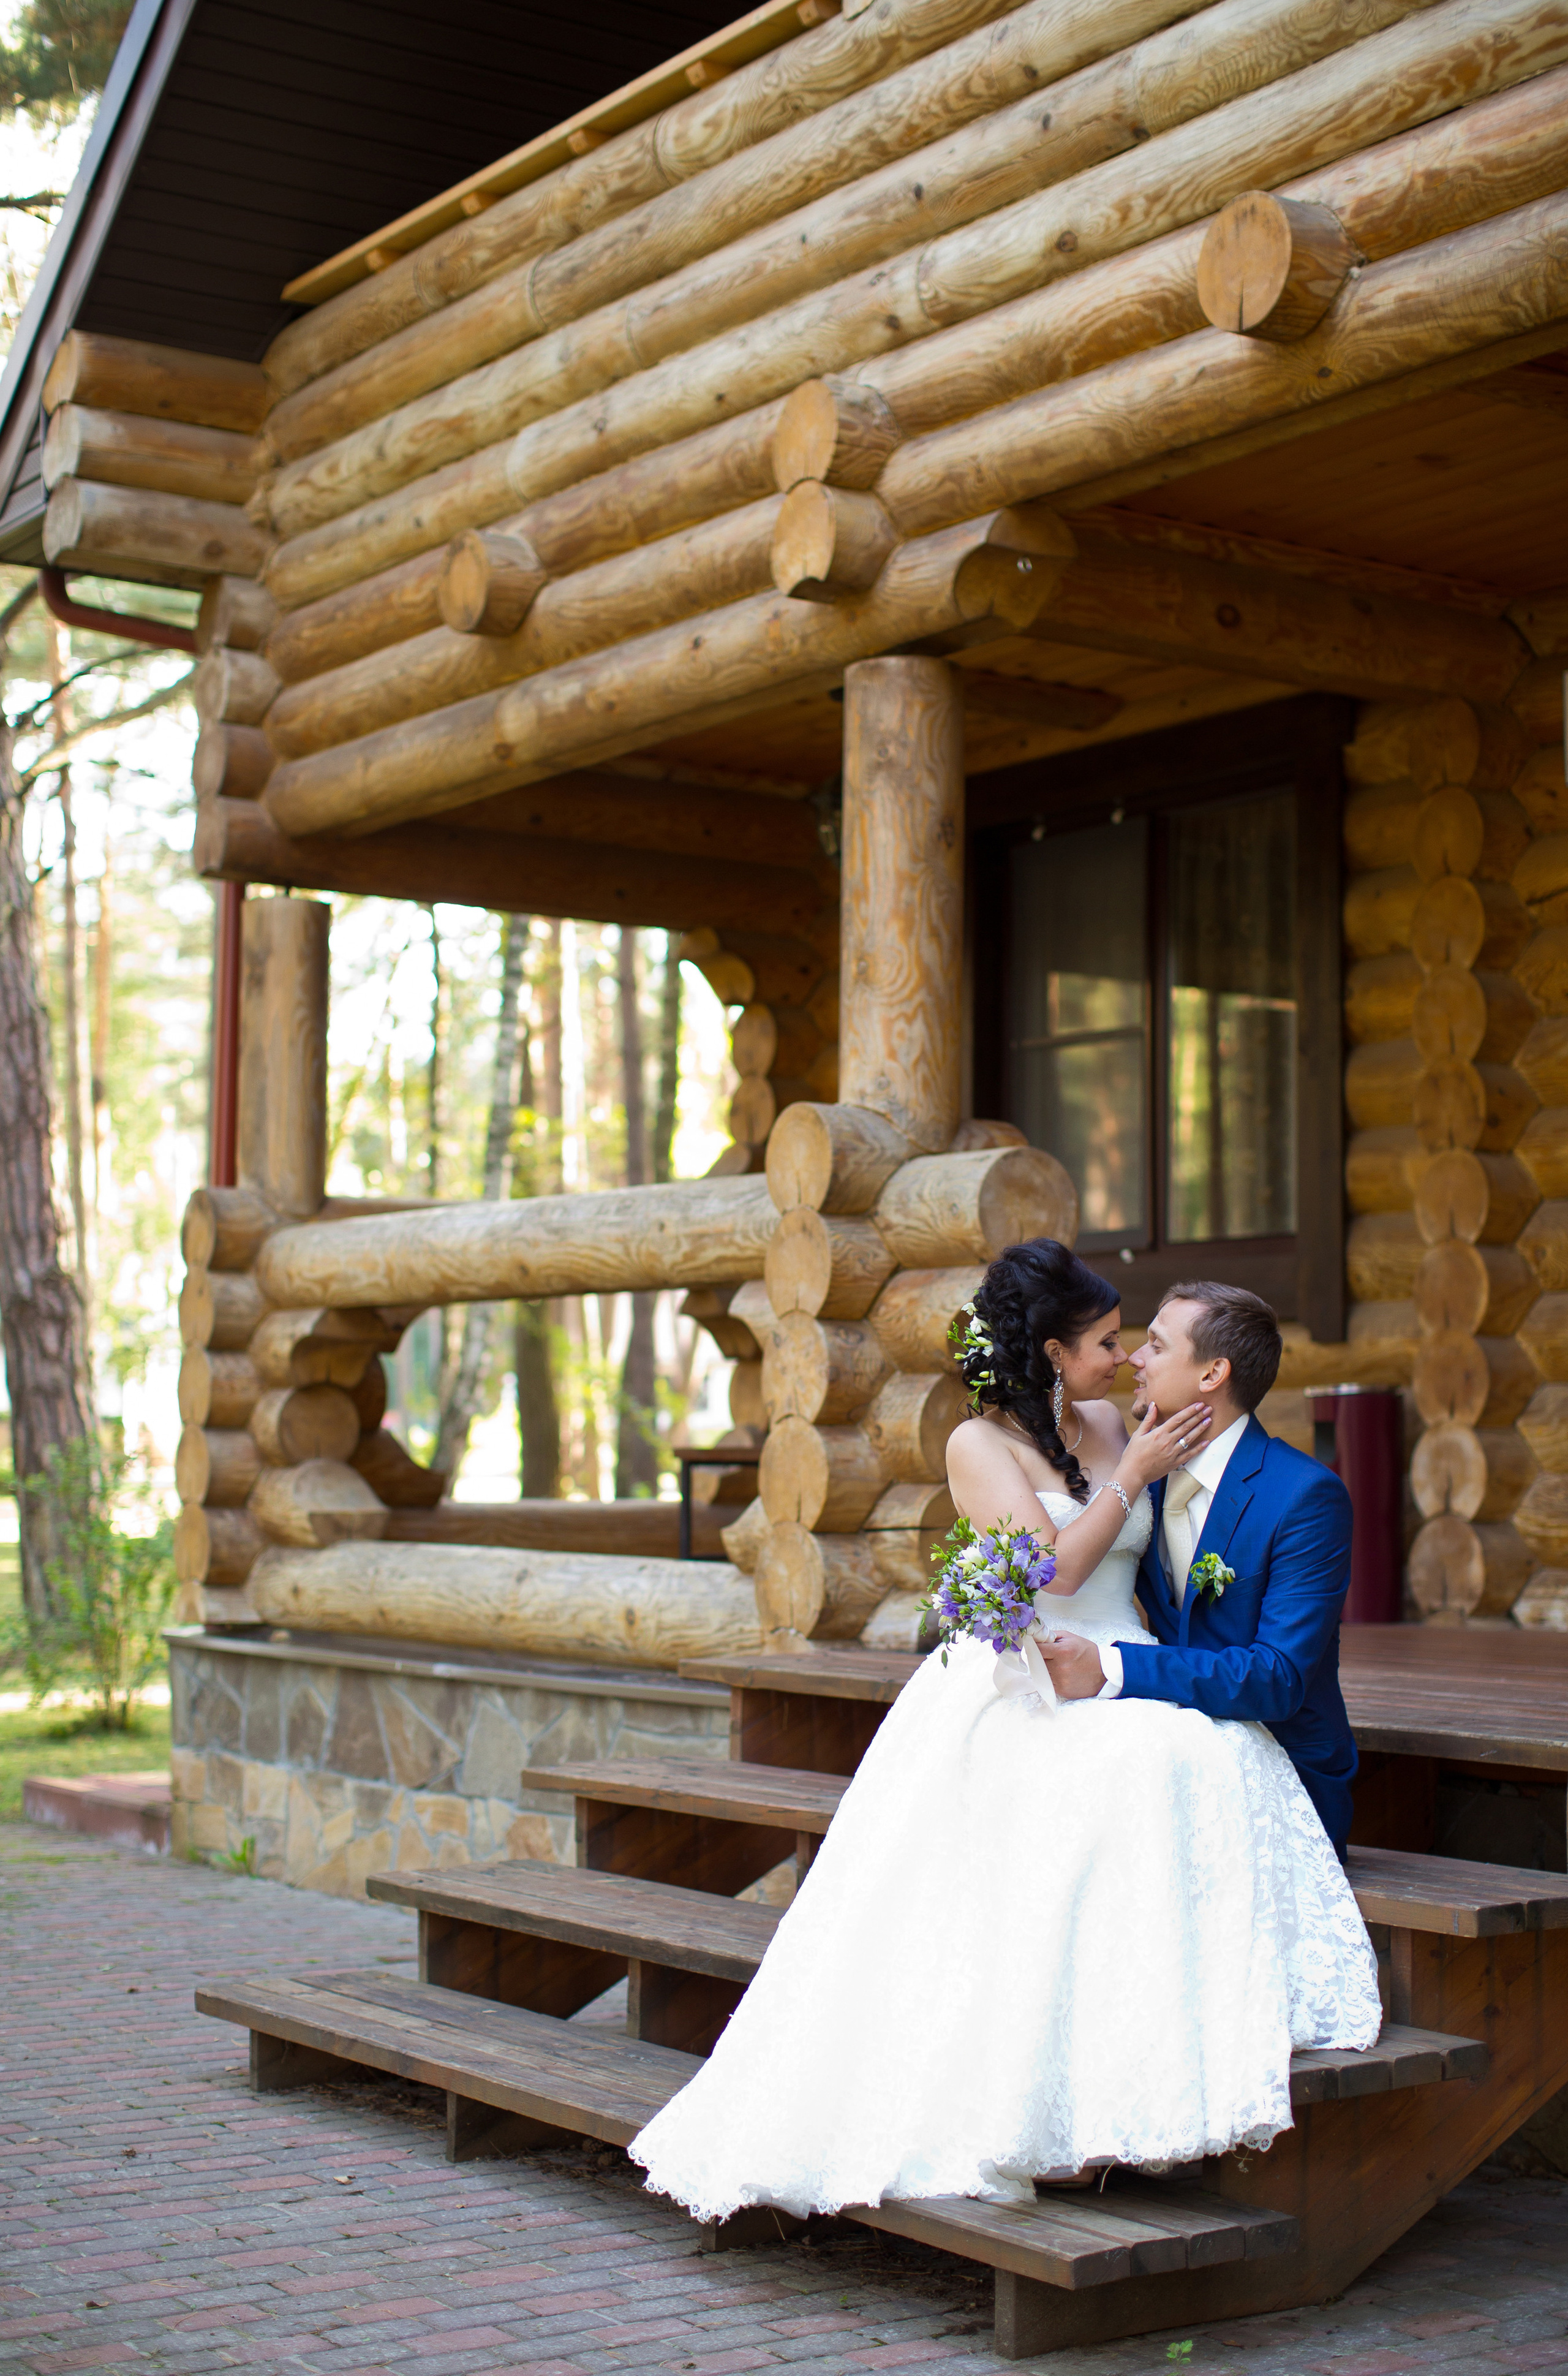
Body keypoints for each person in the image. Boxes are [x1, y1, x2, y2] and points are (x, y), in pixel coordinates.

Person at [630, 1240, 1379, 2227]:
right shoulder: (982, 1445)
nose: (1123, 1358)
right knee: (1093, 1785)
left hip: (1124, 1667)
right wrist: (1134, 1479)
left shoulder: (1123, 1422)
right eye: (1110, 1342)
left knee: (1169, 1762)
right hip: (1042, 1672)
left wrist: (1141, 1486)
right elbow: (1061, 1571)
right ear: (1055, 1350)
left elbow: (1183, 1565)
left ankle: (1133, 2058)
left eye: (1139, 1342)